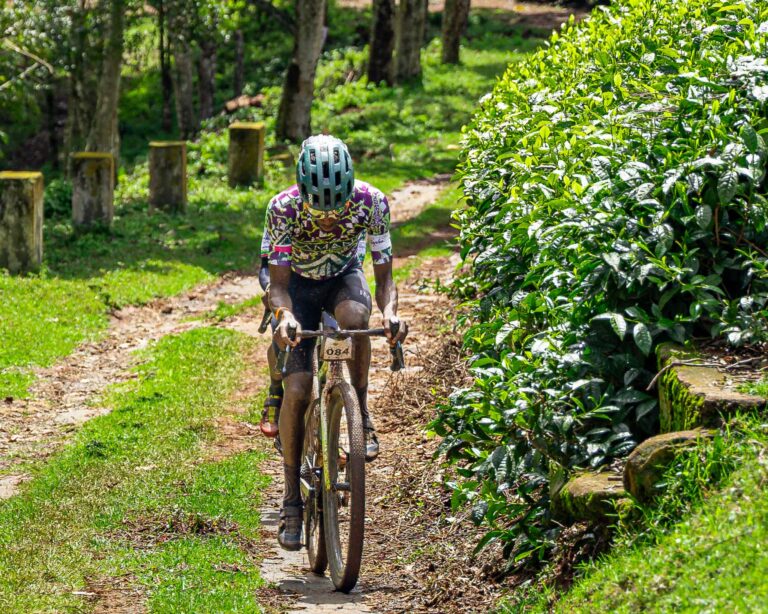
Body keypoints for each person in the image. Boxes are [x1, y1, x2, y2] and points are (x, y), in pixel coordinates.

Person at [262, 134, 408, 550]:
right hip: (298, 290)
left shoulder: (372, 203)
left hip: (344, 279)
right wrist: (285, 316)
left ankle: (359, 408)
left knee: (357, 319)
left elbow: (385, 279)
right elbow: (277, 286)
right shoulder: (282, 208)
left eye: (336, 208)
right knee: (297, 388)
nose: (327, 218)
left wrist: (391, 313)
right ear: (302, 193)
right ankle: (291, 496)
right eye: (318, 208)